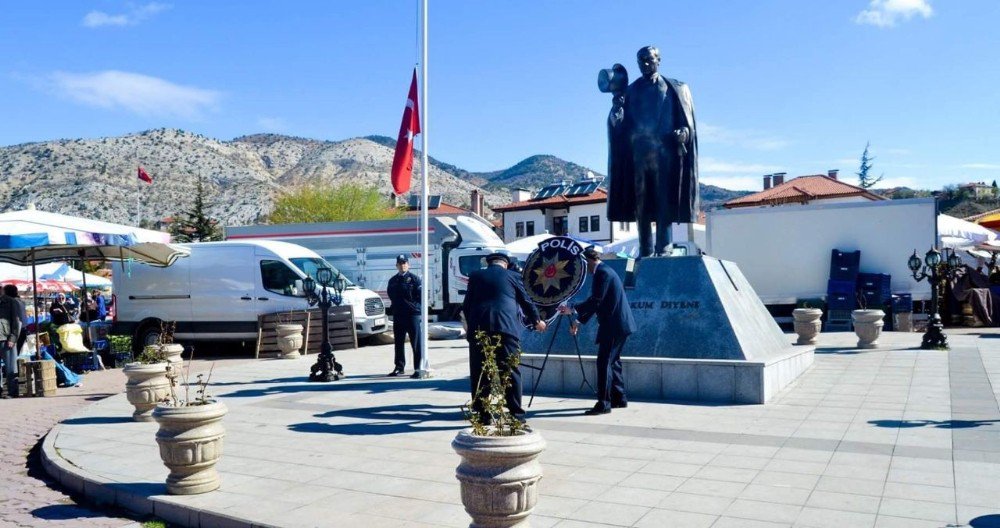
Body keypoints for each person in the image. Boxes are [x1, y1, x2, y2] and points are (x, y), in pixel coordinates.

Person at [604, 45, 699, 257]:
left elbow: (687, 122)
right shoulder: (630, 91)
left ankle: (664, 247)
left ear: (659, 60)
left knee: (665, 199)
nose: (645, 64)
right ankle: (645, 248)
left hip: (665, 154)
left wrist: (684, 132)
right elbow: (617, 125)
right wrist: (616, 109)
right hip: (637, 155)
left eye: (649, 59)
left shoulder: (676, 88)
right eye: (641, 61)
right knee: (641, 203)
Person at [463, 252, 546, 423]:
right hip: (505, 328)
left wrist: (471, 327)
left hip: (480, 329)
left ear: (489, 263)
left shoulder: (476, 276)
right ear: (505, 264)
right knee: (510, 371)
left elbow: (467, 305)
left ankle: (483, 414)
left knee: (480, 371)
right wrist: (537, 321)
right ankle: (516, 414)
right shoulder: (513, 276)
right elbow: (526, 301)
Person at [559, 246, 636, 415]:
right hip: (619, 325)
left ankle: (603, 403)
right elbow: (597, 302)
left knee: (604, 363)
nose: (582, 271)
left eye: (582, 265)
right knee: (613, 361)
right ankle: (619, 398)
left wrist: (572, 309)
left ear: (588, 261)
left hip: (613, 326)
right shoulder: (605, 271)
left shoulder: (603, 273)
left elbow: (596, 301)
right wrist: (578, 321)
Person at [386, 254, 424, 379]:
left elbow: (420, 297)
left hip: (412, 315)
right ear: (396, 265)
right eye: (400, 263)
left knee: (416, 342)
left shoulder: (414, 279)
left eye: (404, 263)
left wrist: (415, 308)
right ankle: (399, 367)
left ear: (408, 264)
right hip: (399, 315)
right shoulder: (393, 280)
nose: (402, 265)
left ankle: (418, 368)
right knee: (398, 342)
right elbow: (391, 295)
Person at [0, 284, 23, 398]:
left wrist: (13, 338)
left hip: (6, 339)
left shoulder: (10, 302)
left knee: (10, 368)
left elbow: (17, 322)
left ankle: (13, 392)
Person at [3, 285, 28, 357]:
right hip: (22, 331)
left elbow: (16, 320)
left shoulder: (12, 302)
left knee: (11, 357)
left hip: (15, 332)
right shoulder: (20, 301)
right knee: (15, 355)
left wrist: (12, 337)